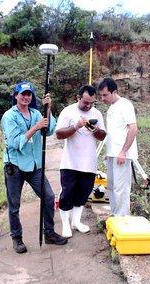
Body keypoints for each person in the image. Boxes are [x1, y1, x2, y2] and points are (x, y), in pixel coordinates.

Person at [1, 81, 68, 253]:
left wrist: (48, 108)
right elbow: (16, 143)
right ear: (16, 95)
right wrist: (36, 127)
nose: (25, 97)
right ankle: (17, 239)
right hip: (15, 165)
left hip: (34, 164)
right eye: (22, 94)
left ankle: (49, 233)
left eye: (29, 94)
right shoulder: (9, 116)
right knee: (14, 205)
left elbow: (51, 130)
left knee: (48, 196)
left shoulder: (36, 113)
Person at [55, 85, 106, 238]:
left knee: (83, 194)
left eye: (91, 102)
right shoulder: (68, 111)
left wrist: (95, 130)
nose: (88, 105)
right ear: (77, 98)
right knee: (67, 193)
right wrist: (76, 126)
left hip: (89, 163)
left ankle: (76, 222)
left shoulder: (96, 113)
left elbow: (103, 135)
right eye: (85, 102)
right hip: (70, 162)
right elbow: (59, 134)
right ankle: (65, 224)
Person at [98, 77, 138, 216]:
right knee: (111, 187)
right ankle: (115, 216)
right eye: (101, 95)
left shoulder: (125, 105)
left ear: (114, 92)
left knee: (121, 189)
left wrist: (123, 152)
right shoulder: (112, 108)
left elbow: (133, 129)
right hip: (112, 154)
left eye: (105, 95)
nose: (102, 98)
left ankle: (122, 218)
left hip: (122, 155)